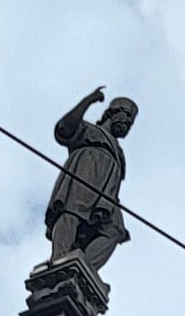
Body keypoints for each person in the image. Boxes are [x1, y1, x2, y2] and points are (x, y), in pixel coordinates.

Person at [44, 89, 139, 271]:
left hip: (107, 189)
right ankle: (60, 259)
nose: (127, 122)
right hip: (87, 167)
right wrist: (88, 101)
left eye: (130, 121)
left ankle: (84, 267)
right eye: (125, 116)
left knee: (115, 229)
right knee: (73, 211)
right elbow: (65, 128)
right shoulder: (89, 130)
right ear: (111, 113)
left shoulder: (118, 153)